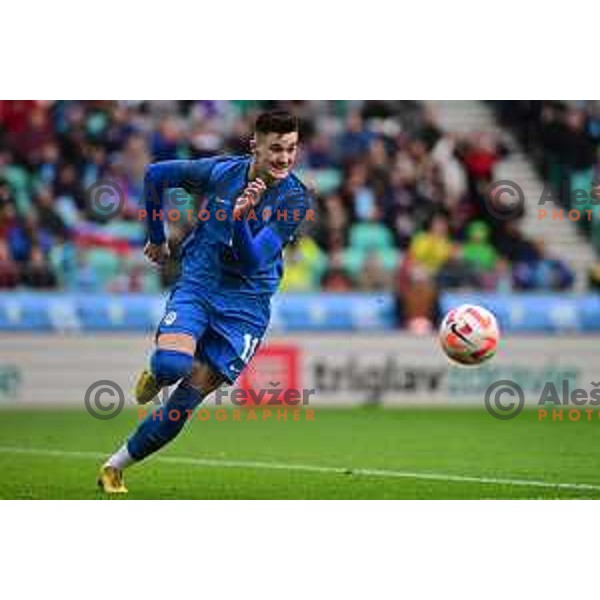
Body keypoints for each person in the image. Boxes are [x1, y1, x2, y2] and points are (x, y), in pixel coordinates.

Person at [98, 110, 312, 493]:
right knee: (172, 363)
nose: (284, 158)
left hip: (246, 305)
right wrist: (156, 234)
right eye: (276, 148)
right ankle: (158, 372)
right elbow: (155, 175)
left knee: (183, 403)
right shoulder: (220, 172)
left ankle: (115, 466)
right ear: (255, 148)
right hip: (201, 282)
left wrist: (241, 219)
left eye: (291, 149)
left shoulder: (294, 198)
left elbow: (252, 261)